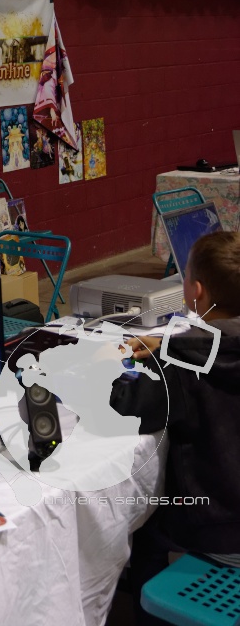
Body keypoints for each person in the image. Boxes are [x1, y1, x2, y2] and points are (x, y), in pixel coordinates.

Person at [111, 231, 240, 625]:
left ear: (196, 292)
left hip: (218, 531)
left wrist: (122, 362)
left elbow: (124, 408)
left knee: (142, 530)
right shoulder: (185, 353)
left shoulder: (183, 362)